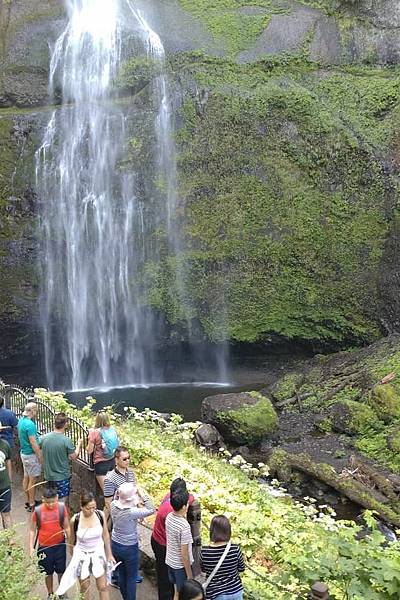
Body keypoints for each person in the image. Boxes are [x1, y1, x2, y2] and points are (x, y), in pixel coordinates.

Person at [56, 491, 114, 600]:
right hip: (82, 555)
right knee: (85, 588)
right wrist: (74, 558)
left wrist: (109, 554)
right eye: (88, 508)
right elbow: (71, 541)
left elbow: (105, 535)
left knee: (103, 586)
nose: (92, 511)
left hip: (98, 554)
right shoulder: (75, 520)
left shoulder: (100, 515)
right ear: (82, 507)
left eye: (94, 507)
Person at [151, 477, 196, 600]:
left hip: (160, 542)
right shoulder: (173, 515)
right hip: (162, 544)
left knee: (168, 581)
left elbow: (190, 497)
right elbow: (184, 553)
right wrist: (190, 574)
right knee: (166, 581)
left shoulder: (169, 500)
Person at [110, 482, 155, 600]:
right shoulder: (131, 512)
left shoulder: (113, 505)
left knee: (121, 573)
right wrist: (142, 494)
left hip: (115, 544)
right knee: (131, 578)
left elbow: (116, 498)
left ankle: (125, 597)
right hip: (129, 547)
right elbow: (151, 509)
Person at [29, 487, 71, 600]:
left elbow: (67, 527)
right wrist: (31, 548)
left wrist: (71, 543)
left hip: (60, 545)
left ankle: (62, 592)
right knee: (48, 573)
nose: (51, 504)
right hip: (44, 547)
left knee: (61, 570)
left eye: (53, 501)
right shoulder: (37, 511)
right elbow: (32, 530)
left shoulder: (62, 508)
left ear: (57, 498)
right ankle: (50, 593)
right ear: (43, 499)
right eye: (48, 502)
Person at [41, 412, 83, 503]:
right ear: (66, 424)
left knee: (50, 501)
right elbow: (74, 457)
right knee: (61, 503)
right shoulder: (66, 440)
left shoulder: (44, 438)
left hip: (48, 476)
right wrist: (79, 444)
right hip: (62, 477)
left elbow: (37, 447)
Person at [200, 515, 245, 600]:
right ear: (228, 530)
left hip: (216, 593)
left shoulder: (204, 551)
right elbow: (241, 568)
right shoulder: (235, 549)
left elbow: (203, 569)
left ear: (212, 531)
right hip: (235, 591)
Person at [165, 489, 194, 599]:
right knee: (182, 595)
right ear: (183, 506)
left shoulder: (169, 517)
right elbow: (184, 555)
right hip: (180, 567)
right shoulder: (184, 527)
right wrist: (189, 574)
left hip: (170, 561)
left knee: (176, 592)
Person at [17, 401, 42, 511]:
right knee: (33, 480)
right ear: (32, 411)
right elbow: (33, 442)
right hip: (30, 455)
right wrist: (40, 456)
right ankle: (32, 504)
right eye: (36, 410)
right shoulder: (30, 424)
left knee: (26, 477)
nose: (37, 412)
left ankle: (28, 500)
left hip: (23, 453)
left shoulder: (21, 421)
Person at [87, 411, 119, 491]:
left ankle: (111, 504)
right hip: (112, 461)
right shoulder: (113, 430)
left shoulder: (94, 432)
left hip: (101, 464)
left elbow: (89, 451)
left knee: (107, 492)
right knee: (113, 489)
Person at [0, 435, 12, 529]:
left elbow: (8, 462)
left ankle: (10, 538)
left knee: (6, 513)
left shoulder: (5, 445)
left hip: (4, 485)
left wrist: (9, 478)